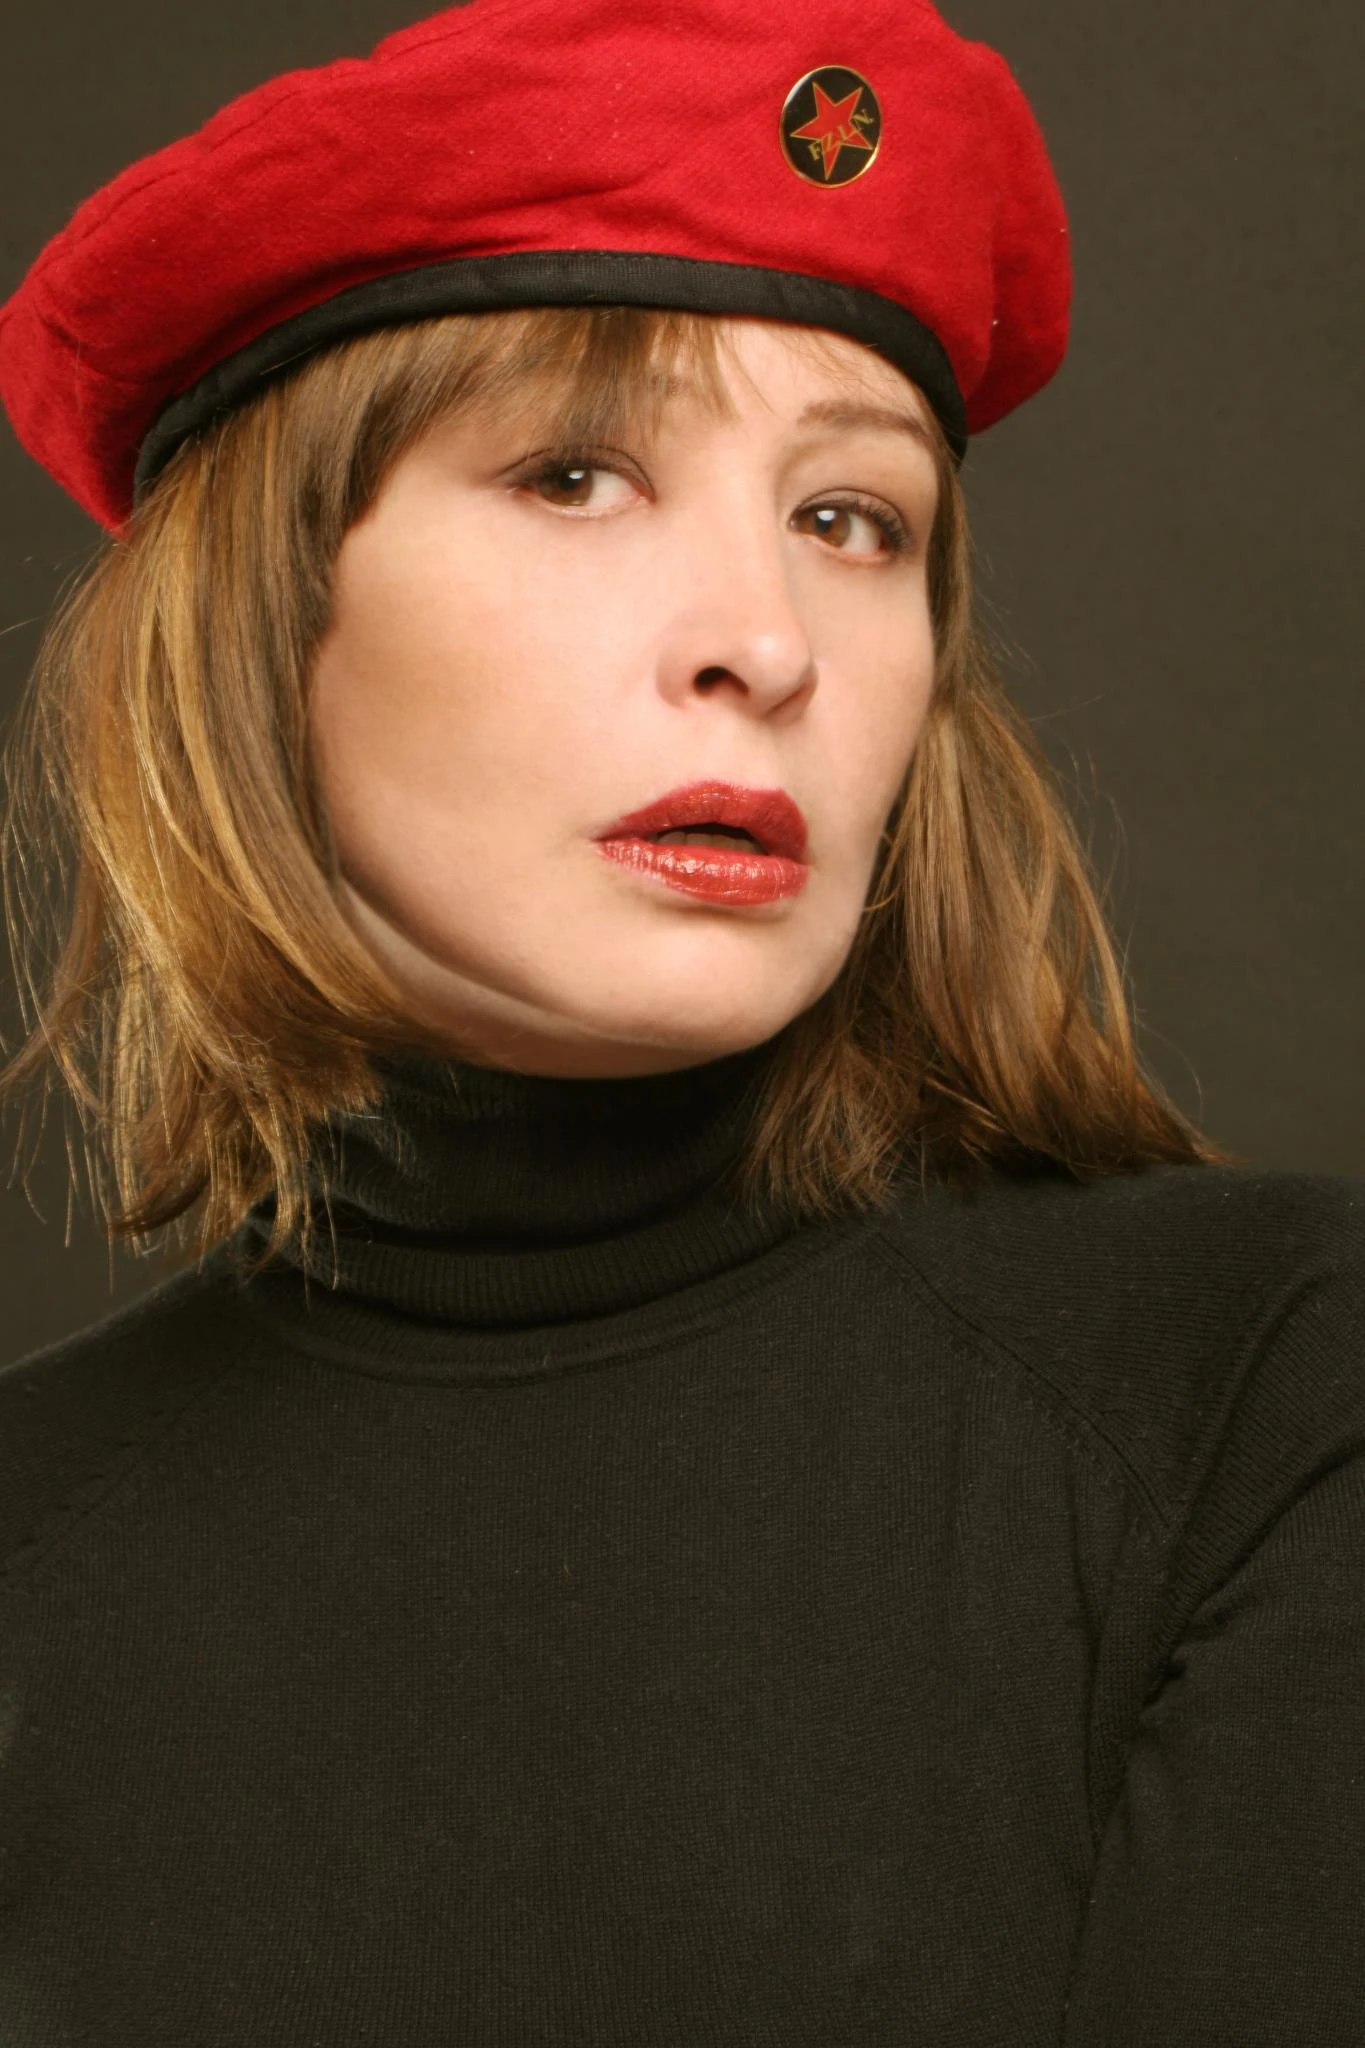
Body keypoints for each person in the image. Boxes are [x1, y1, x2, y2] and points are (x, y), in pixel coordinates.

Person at [0, 1, 1361, 2040]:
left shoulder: (1262, 1389)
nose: (765, 642)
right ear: (259, 620)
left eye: (851, 519)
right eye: (575, 474)